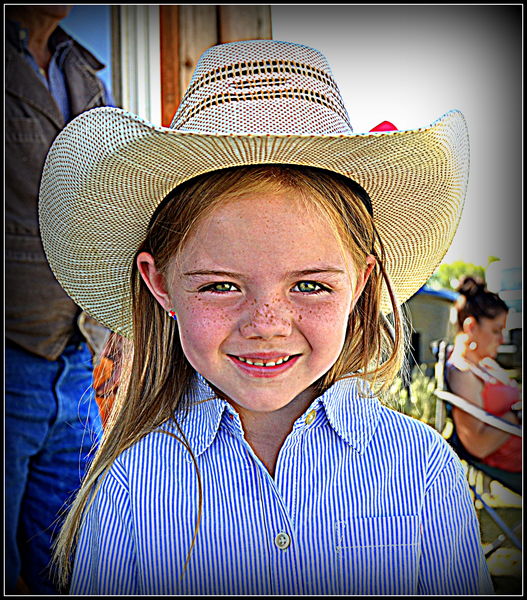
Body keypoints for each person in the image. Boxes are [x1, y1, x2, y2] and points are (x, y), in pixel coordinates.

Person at [38, 40, 493, 595]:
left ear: (362, 284)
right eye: (222, 286)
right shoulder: (127, 489)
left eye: (309, 284)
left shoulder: (422, 473)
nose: (267, 322)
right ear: (159, 284)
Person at [5, 5, 114, 594]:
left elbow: (100, 215)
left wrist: (113, 325)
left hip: (70, 353)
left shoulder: (82, 72)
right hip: (10, 348)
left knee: (69, 557)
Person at [446, 276, 522, 476]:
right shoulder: (461, 373)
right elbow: (476, 444)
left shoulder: (485, 363)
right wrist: (517, 415)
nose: (502, 339)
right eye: (496, 330)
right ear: (471, 327)